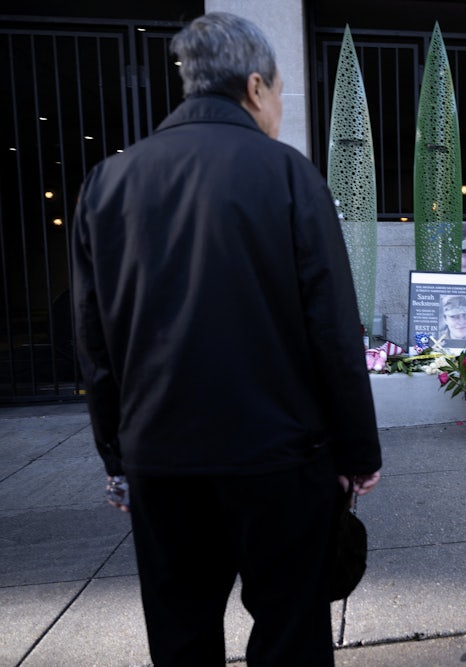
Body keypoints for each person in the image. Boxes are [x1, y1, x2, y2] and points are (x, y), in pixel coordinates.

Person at [70, 12, 381, 666]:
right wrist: (358, 449)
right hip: (279, 458)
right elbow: (332, 328)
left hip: (160, 457)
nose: (277, 109)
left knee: (180, 633)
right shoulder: (290, 176)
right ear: (256, 86)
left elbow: (95, 345)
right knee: (290, 629)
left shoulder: (106, 183)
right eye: (279, 93)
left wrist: (116, 456)